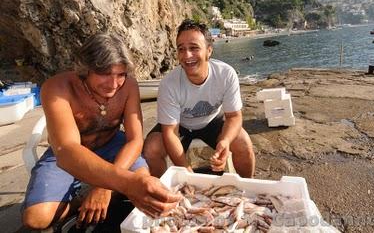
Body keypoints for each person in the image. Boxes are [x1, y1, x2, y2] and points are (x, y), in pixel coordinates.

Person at [22, 33, 181, 230]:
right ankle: (81, 201)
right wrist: (120, 184)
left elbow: (135, 140)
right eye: (106, 73)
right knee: (36, 219)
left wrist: (104, 186)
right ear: (85, 68)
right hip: (67, 153)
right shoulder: (57, 88)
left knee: (144, 182)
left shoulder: (129, 86)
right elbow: (67, 150)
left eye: (121, 74)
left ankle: (102, 193)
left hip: (113, 144)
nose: (114, 84)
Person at [143, 19, 255, 178]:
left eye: (194, 48)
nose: (187, 55)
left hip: (212, 121)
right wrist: (188, 173)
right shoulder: (169, 84)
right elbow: (170, 133)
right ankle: (163, 194)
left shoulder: (225, 74)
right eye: (181, 49)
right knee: (151, 149)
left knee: (243, 142)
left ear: (209, 50)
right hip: (180, 125)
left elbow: (234, 116)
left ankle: (247, 188)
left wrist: (225, 141)